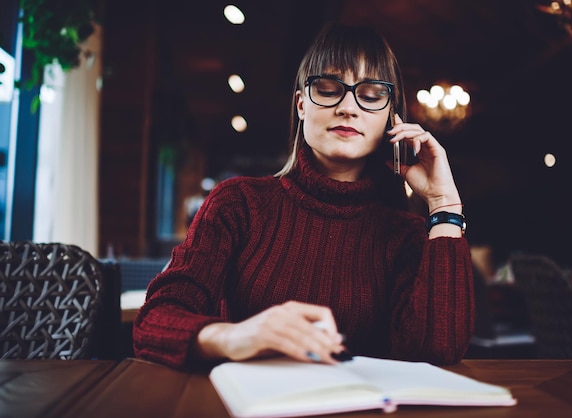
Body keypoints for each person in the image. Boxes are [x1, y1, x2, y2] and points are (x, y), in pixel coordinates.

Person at [133, 23, 473, 371]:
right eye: (328, 89)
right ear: (301, 105)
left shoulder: (406, 235)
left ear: (390, 117)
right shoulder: (238, 204)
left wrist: (444, 204)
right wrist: (234, 337)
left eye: (370, 95)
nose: (348, 107)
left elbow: (438, 353)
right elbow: (155, 322)